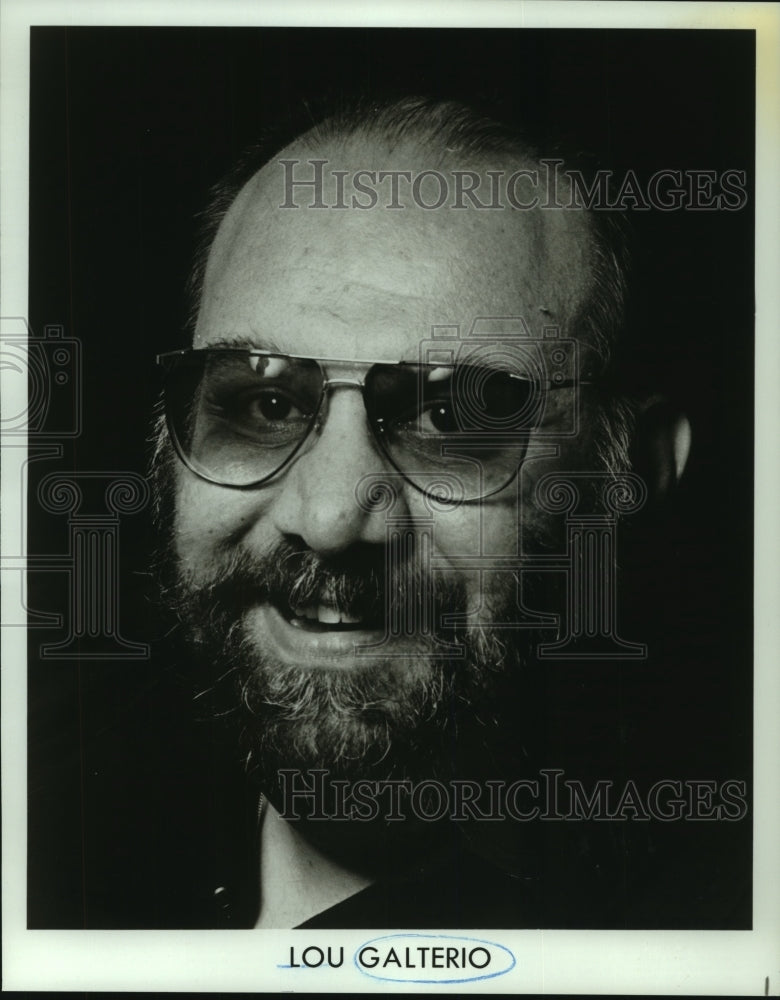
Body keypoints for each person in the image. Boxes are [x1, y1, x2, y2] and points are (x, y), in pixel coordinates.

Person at [149, 96, 693, 929]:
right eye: (263, 403)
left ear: (634, 470)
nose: (330, 518)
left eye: (450, 418)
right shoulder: (58, 826)